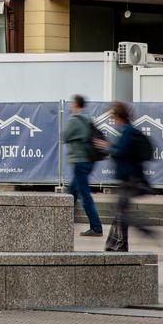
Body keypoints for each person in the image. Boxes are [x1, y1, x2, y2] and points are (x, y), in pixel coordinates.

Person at [97, 101, 154, 251]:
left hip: (129, 178)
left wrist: (108, 147)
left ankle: (138, 234)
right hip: (128, 177)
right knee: (119, 210)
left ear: (118, 116)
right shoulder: (128, 130)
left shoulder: (128, 131)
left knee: (120, 212)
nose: (112, 120)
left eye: (113, 116)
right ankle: (115, 245)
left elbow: (121, 152)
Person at [61, 95, 104, 237]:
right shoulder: (88, 118)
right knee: (71, 192)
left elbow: (64, 136)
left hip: (79, 160)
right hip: (88, 160)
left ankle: (96, 227)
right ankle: (63, 222)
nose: (70, 106)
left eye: (72, 103)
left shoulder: (75, 120)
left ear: (76, 104)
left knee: (84, 195)